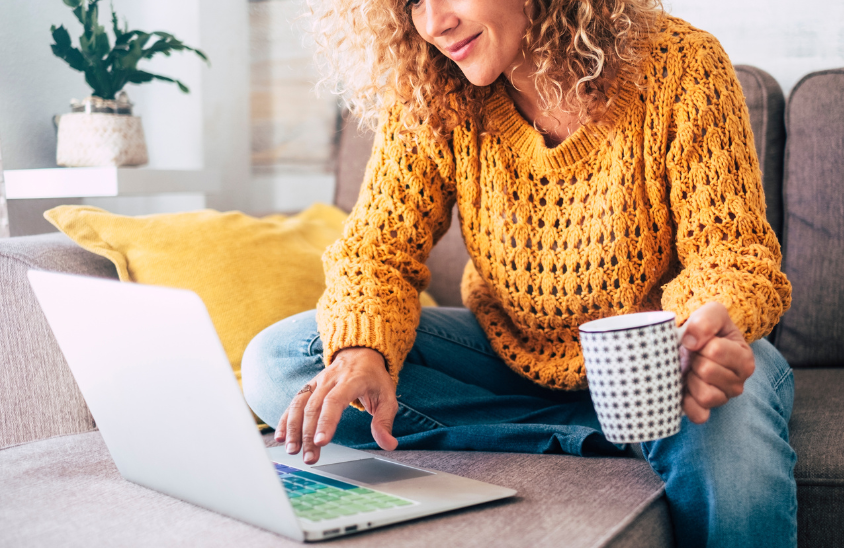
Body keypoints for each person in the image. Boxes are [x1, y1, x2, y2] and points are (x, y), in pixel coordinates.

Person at [242, 0, 797, 546]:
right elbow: (375, 251)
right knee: (282, 361)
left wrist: (697, 335)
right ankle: (601, 436)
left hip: (660, 362)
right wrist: (362, 351)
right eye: (412, 1)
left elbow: (732, 253)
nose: (434, 23)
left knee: (728, 413)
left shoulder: (682, 65)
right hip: (510, 357)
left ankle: (622, 426)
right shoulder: (436, 90)